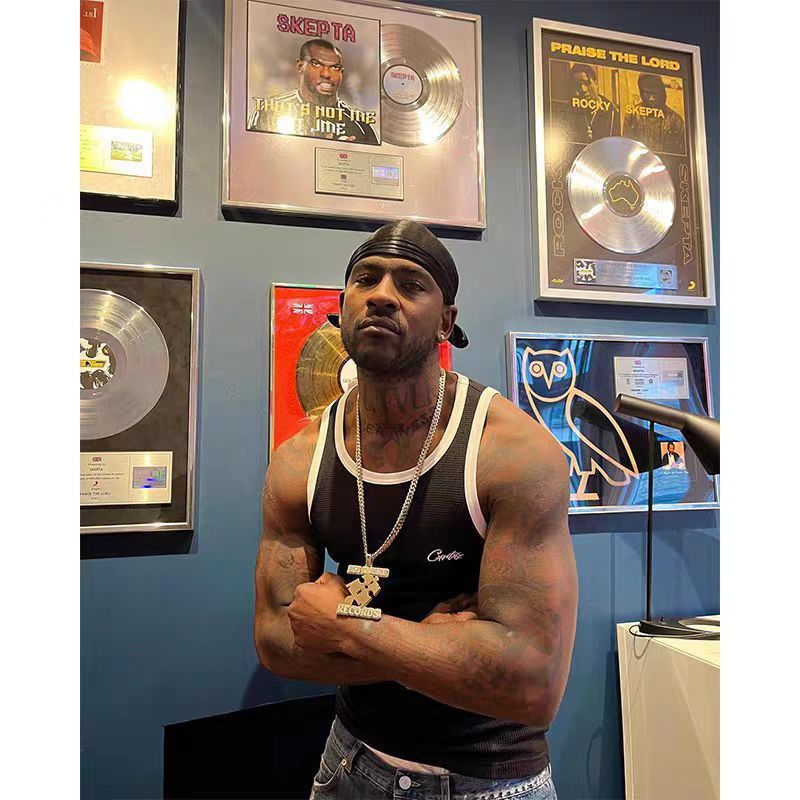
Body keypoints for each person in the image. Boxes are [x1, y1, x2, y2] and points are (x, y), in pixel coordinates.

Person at [254, 219, 577, 800]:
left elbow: (532, 684)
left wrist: (346, 627)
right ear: (342, 307)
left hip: (488, 779)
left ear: (446, 322)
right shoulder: (300, 460)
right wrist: (426, 645)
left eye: (410, 284)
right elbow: (276, 639)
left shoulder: (512, 454)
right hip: (349, 764)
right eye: (366, 279)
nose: (382, 294)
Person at [248, 38, 378, 144]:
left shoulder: (361, 125)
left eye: (335, 67)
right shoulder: (270, 111)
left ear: (341, 73)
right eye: (316, 64)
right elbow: (251, 159)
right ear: (300, 66)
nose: (326, 74)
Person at [623, 73, 686, 154]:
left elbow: (682, 153)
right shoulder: (632, 116)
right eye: (648, 93)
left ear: (662, 93)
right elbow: (626, 148)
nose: (652, 98)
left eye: (655, 93)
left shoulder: (675, 120)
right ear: (641, 93)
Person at [557, 62, 620, 142]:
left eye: (586, 83)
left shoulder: (611, 111)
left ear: (596, 83)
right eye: (578, 85)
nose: (583, 89)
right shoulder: (567, 111)